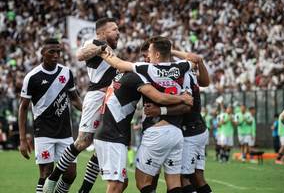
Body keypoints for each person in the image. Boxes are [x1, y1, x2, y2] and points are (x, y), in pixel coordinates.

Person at [100, 36, 197, 193]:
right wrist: (174, 51)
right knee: (174, 183)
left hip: (156, 131)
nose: (148, 56)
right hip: (176, 133)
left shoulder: (147, 68)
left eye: (150, 53)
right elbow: (194, 59)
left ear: (157, 54)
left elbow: (117, 63)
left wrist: (101, 50)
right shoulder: (182, 66)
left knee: (142, 182)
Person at [43, 17, 120, 193]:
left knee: (101, 145)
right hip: (96, 96)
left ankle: (84, 190)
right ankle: (53, 179)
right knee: (83, 142)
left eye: (118, 29)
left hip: (110, 99)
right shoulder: (93, 42)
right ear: (101, 32)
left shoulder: (111, 50)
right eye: (114, 29)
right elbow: (80, 55)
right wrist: (101, 47)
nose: (118, 32)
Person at [18, 38, 82, 193]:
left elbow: (74, 98)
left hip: (65, 132)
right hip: (44, 132)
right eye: (51, 51)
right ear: (42, 53)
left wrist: (90, 113)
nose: (56, 55)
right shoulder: (32, 77)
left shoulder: (66, 73)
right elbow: (23, 108)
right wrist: (22, 139)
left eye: (58, 51)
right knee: (47, 173)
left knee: (70, 174)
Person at [144, 52, 212, 192]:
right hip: (197, 128)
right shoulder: (184, 72)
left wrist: (160, 110)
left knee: (181, 178)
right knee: (197, 177)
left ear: (157, 55)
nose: (146, 59)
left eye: (148, 55)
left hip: (190, 131)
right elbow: (204, 79)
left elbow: (187, 105)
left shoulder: (179, 74)